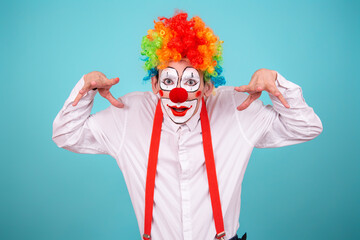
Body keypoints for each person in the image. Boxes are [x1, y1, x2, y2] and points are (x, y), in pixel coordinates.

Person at [52, 11, 323, 240]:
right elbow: (66, 135)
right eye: (169, 81)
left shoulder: (238, 110)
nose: (179, 92)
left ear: (207, 86)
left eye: (191, 81)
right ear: (155, 84)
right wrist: (86, 89)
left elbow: (306, 127)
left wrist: (276, 81)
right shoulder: (128, 115)